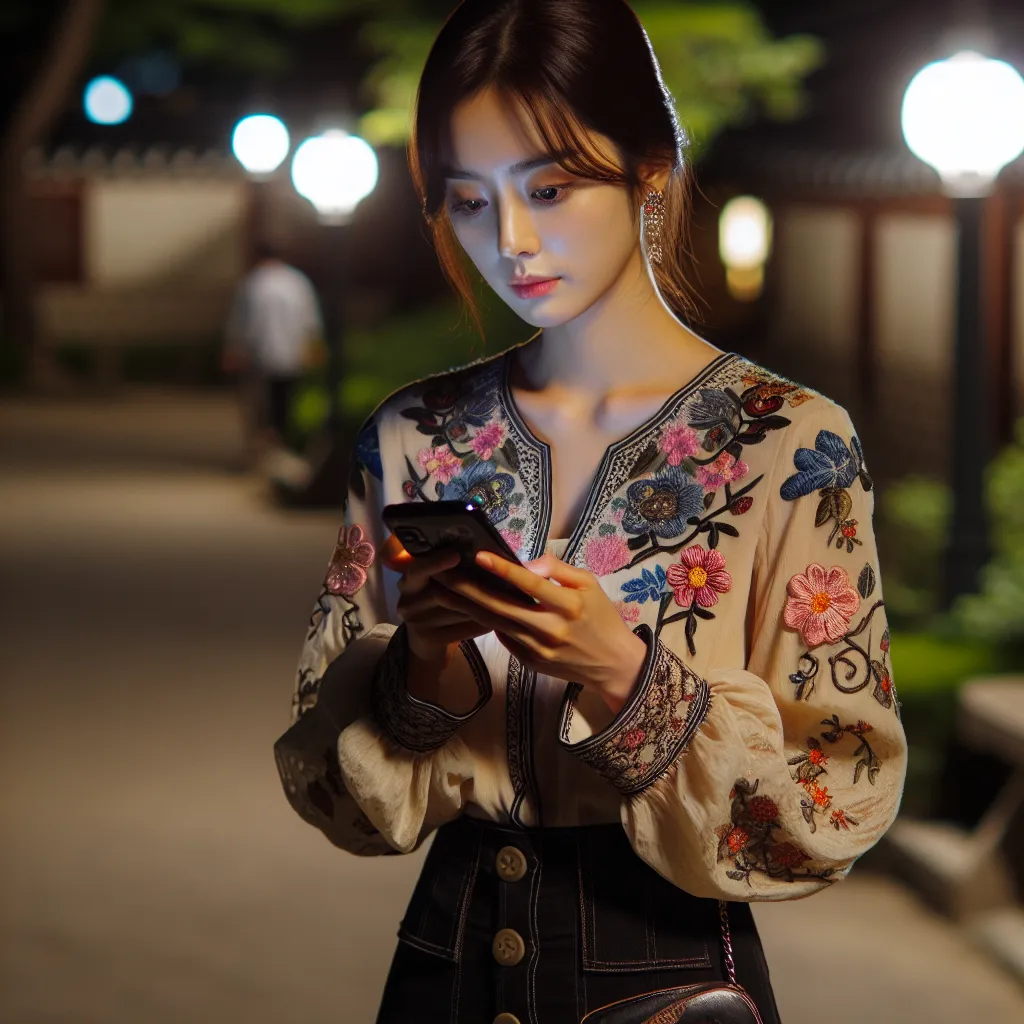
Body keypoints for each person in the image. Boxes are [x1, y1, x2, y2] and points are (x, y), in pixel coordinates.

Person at [274, 2, 908, 1021]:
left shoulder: (789, 442)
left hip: (669, 972)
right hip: (443, 962)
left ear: (649, 166)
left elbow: (832, 792)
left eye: (552, 188)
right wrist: (429, 659)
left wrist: (621, 671)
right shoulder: (412, 437)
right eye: (469, 201)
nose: (511, 241)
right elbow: (334, 781)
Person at [222, 241, 324, 463]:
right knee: (284, 404)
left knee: (262, 408)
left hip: (259, 358)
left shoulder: (252, 283)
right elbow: (310, 321)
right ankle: (282, 446)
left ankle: (265, 450)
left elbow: (241, 323)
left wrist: (234, 350)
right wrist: (313, 350)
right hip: (292, 357)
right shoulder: (297, 282)